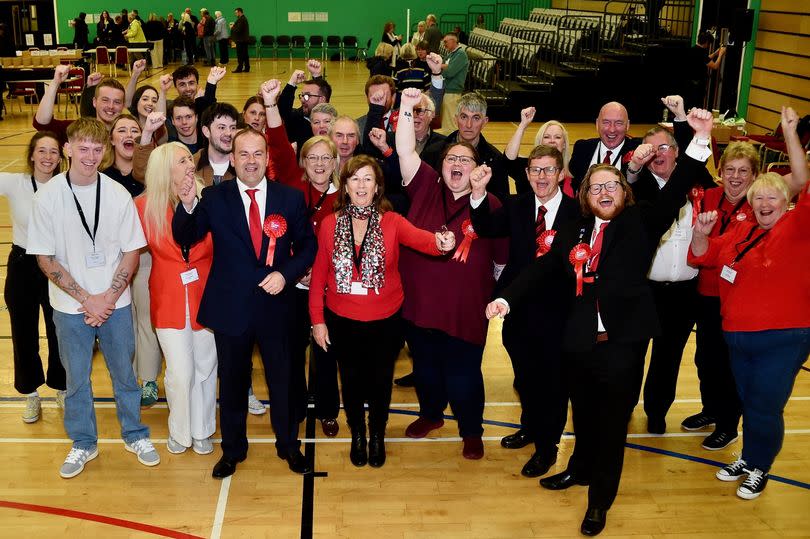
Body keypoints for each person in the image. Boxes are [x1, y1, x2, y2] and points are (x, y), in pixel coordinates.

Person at [486, 108, 715, 536]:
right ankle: (579, 468)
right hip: (578, 342)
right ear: (586, 196)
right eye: (597, 187)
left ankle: (599, 502)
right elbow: (541, 267)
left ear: (624, 193)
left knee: (611, 427)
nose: (605, 192)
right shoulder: (574, 228)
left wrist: (699, 140)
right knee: (584, 416)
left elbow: (676, 190)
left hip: (621, 344)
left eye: (613, 186)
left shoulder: (639, 222)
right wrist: (505, 299)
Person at [172, 127, 317, 478]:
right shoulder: (214, 198)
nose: (251, 161)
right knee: (233, 383)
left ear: (267, 158)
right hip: (231, 307)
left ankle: (288, 446)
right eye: (244, 154)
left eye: (258, 154)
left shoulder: (290, 198)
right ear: (232, 159)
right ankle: (233, 450)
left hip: (277, 306)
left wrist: (287, 274)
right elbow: (186, 236)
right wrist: (188, 203)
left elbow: (309, 246)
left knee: (282, 381)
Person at [27, 118, 159, 479]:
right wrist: (88, 299)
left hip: (115, 306)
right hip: (70, 308)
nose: (89, 155)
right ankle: (84, 442)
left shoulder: (117, 194)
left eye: (96, 149)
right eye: (82, 148)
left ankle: (135, 434)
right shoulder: (48, 197)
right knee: (77, 380)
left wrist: (108, 297)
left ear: (105, 152)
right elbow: (45, 259)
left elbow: (132, 252)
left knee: (124, 375)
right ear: (67, 149)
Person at [688, 106, 809, 500]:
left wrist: (791, 132)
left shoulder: (797, 226)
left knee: (764, 406)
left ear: (785, 200)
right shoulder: (741, 232)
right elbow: (703, 256)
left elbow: (803, 178)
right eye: (759, 200)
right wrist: (702, 233)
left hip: (783, 338)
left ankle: (760, 466)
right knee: (749, 401)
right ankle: (751, 455)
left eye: (773, 197)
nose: (765, 204)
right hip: (738, 338)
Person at [310, 154, 454, 467]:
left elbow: (423, 240)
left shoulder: (392, 222)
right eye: (354, 179)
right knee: (349, 380)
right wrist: (318, 322)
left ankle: (377, 435)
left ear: (377, 187)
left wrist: (442, 243)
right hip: (342, 318)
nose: (361, 185)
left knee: (379, 381)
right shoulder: (329, 225)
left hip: (385, 320)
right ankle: (357, 435)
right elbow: (319, 275)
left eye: (368, 179)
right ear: (345, 186)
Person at [396, 87, 507, 460]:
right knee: (425, 370)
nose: (457, 163)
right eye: (451, 158)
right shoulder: (426, 186)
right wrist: (407, 107)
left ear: (478, 169)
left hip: (464, 313)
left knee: (463, 377)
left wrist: (489, 295)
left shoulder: (491, 205)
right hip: (420, 306)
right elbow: (405, 151)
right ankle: (431, 415)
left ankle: (471, 430)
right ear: (442, 167)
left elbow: (502, 262)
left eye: (466, 159)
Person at [471, 144, 580, 478]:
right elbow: (485, 227)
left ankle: (548, 448)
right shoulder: (517, 206)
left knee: (553, 384)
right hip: (517, 312)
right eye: (535, 170)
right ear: (527, 174)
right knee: (526, 378)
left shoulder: (578, 213)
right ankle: (530, 427)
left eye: (548, 170)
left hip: (558, 314)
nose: (541, 177)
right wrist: (477, 193)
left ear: (561, 174)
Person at [261, 79, 342, 436]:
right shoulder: (293, 185)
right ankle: (294, 405)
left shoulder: (347, 196)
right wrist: (270, 104)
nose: (320, 163)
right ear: (304, 162)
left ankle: (327, 409)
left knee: (326, 350)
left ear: (336, 161)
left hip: (329, 288)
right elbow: (277, 145)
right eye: (313, 157)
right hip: (293, 285)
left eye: (327, 157)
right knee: (292, 349)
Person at [136, 142, 217, 455]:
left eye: (189, 159)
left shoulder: (208, 199)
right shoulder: (143, 208)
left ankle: (202, 430)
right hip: (168, 298)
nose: (189, 164)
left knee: (206, 366)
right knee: (180, 372)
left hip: (206, 295)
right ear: (164, 171)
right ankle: (180, 431)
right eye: (182, 160)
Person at [681, 139, 760, 450]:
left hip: (738, 298)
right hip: (706, 293)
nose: (736, 177)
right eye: (730, 170)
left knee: (730, 365)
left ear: (754, 176)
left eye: (743, 171)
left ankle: (729, 424)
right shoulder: (710, 197)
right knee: (705, 359)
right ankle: (711, 409)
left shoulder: (759, 203)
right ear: (721, 172)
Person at [1, 132, 66, 424]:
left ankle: (62, 387)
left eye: (53, 151)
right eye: (42, 151)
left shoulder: (66, 186)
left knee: (58, 331)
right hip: (22, 264)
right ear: (31, 155)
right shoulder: (15, 182)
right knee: (23, 333)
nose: (48, 157)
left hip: (55, 264)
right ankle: (30, 393)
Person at [101, 113, 163, 407]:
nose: (128, 134)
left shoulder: (150, 175)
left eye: (134, 130)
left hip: (145, 259)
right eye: (121, 130)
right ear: (111, 139)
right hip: (108, 262)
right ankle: (125, 379)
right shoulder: (101, 177)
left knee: (145, 319)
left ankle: (148, 380)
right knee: (119, 325)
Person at [422, 92, 509, 201]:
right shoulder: (433, 153)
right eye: (464, 117)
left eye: (476, 118)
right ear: (456, 119)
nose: (469, 125)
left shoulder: (495, 160)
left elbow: (500, 203)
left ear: (485, 122)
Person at [34, 65, 127, 145]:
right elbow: (42, 124)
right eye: (105, 100)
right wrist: (55, 82)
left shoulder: (128, 136)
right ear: (94, 102)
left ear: (123, 105)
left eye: (117, 102)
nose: (111, 106)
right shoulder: (77, 129)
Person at [568, 101, 640, 193]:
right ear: (597, 124)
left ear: (628, 125)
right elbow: (573, 182)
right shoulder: (582, 148)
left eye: (619, 123)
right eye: (606, 122)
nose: (612, 129)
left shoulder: (637, 149)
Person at [505, 107, 575, 197]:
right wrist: (522, 125)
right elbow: (508, 160)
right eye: (546, 137)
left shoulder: (572, 171)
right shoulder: (526, 166)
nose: (552, 140)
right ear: (540, 142)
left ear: (564, 144)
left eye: (557, 137)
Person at [279, 60, 331, 151]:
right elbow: (282, 110)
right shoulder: (296, 118)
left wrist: (317, 77)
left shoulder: (332, 124)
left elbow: (322, 91)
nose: (303, 99)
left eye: (307, 96)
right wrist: (292, 83)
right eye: (302, 95)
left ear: (322, 99)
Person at [438, 33, 469, 133]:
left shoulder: (460, 54)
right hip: (448, 91)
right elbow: (444, 68)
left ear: (453, 41)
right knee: (447, 121)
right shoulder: (451, 54)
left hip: (453, 92)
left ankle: (452, 143)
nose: (444, 44)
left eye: (446, 42)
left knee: (450, 123)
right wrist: (444, 67)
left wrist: (442, 67)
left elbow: (449, 72)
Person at [231, 8, 250, 73]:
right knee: (245, 55)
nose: (235, 14)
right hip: (243, 40)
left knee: (240, 55)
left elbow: (238, 30)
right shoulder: (243, 19)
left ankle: (239, 68)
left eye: (236, 13)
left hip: (241, 40)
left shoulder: (241, 19)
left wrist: (232, 27)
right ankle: (247, 68)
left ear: (240, 12)